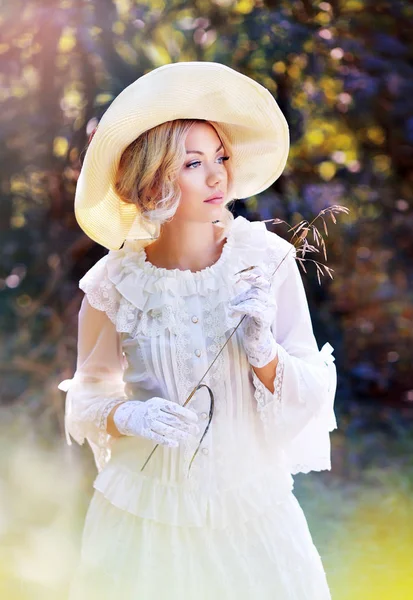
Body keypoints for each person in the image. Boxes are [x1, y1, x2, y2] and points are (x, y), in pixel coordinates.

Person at [60, 61, 337, 600]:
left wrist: (263, 352)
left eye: (221, 158)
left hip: (250, 519)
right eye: (193, 163)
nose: (217, 176)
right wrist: (128, 413)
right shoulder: (114, 283)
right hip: (141, 523)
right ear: (154, 177)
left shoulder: (267, 260)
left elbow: (315, 392)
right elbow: (84, 400)